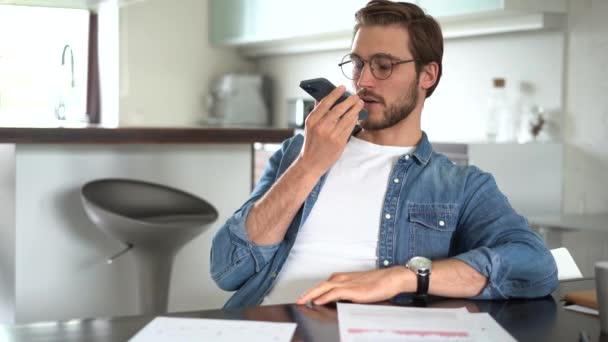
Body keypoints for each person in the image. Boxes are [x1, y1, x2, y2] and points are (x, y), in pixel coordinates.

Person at [210, 0, 558, 309]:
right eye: (358, 64)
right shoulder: (295, 154)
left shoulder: (460, 185)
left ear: (428, 74)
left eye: (384, 65)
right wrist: (309, 164)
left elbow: (535, 267)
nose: (364, 82)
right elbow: (226, 269)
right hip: (262, 322)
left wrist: (404, 278)